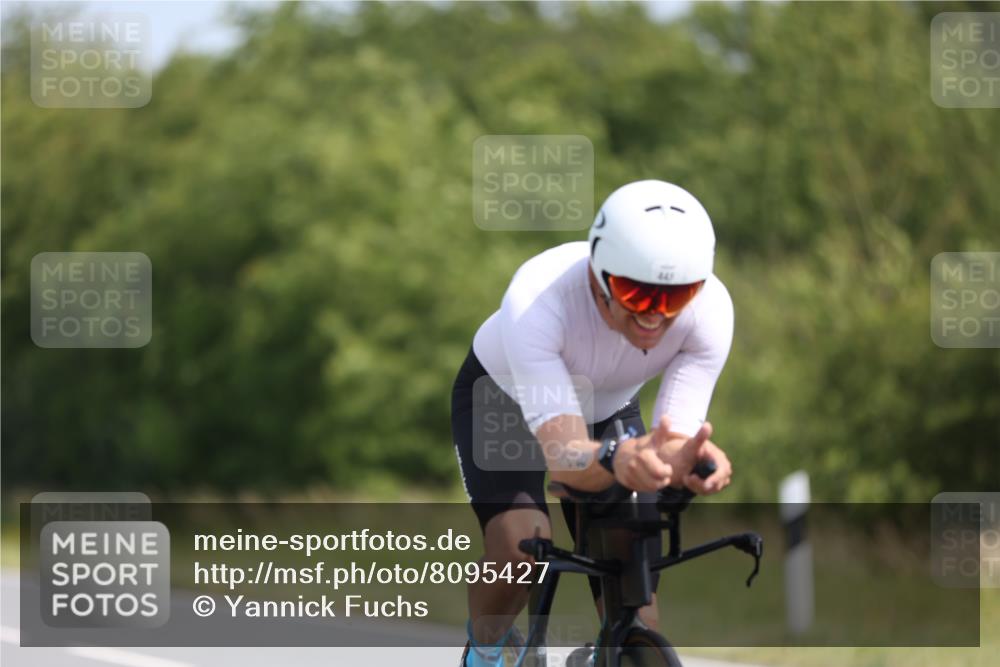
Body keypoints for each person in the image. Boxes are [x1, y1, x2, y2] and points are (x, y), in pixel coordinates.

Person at [452, 180, 735, 667]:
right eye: (635, 293)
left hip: (607, 409)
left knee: (635, 582)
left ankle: (612, 652)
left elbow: (673, 439)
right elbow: (566, 460)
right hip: (503, 400)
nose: (655, 316)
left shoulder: (710, 311)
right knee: (520, 547)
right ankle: (486, 651)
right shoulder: (539, 299)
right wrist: (619, 458)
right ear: (598, 274)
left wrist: (688, 460)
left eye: (676, 296)